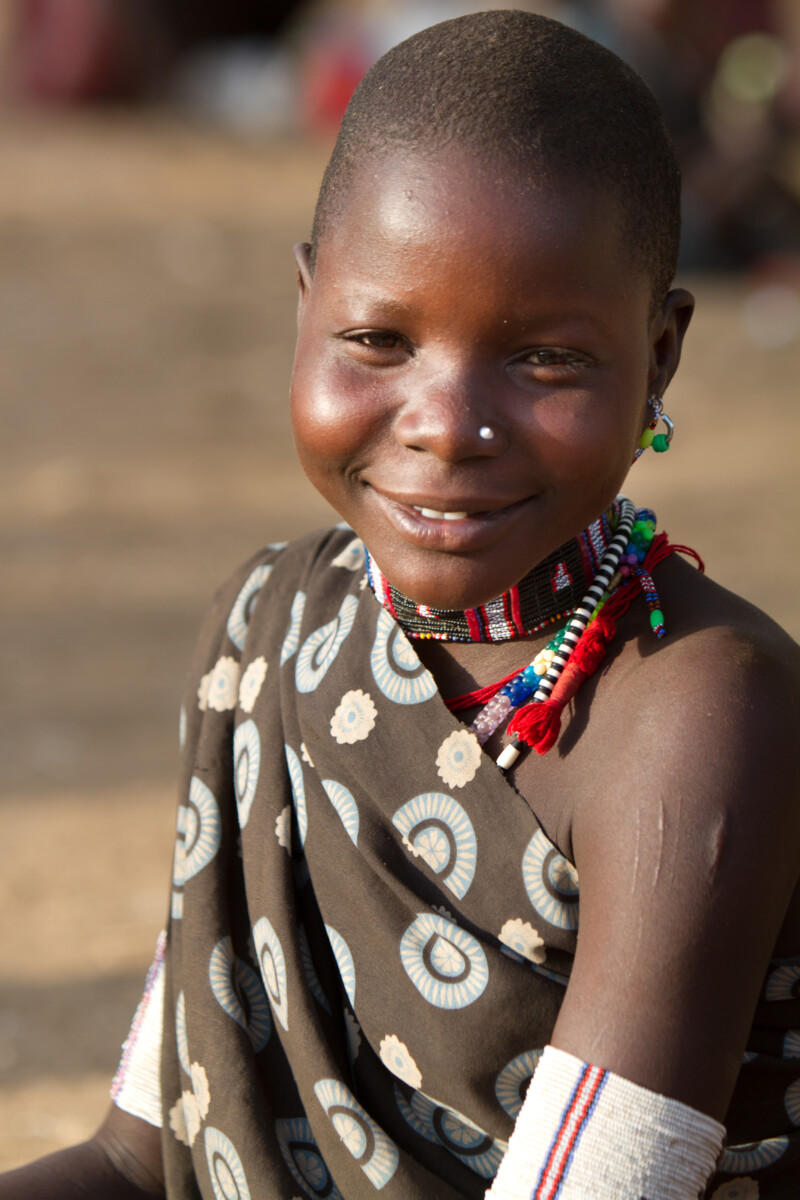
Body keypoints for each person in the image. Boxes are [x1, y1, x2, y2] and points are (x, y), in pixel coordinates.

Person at [3, 10, 799, 1199]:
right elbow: (139, 1158)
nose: (445, 426)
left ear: (658, 358)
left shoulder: (695, 716)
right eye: (377, 339)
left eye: (544, 360)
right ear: (304, 308)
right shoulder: (270, 629)